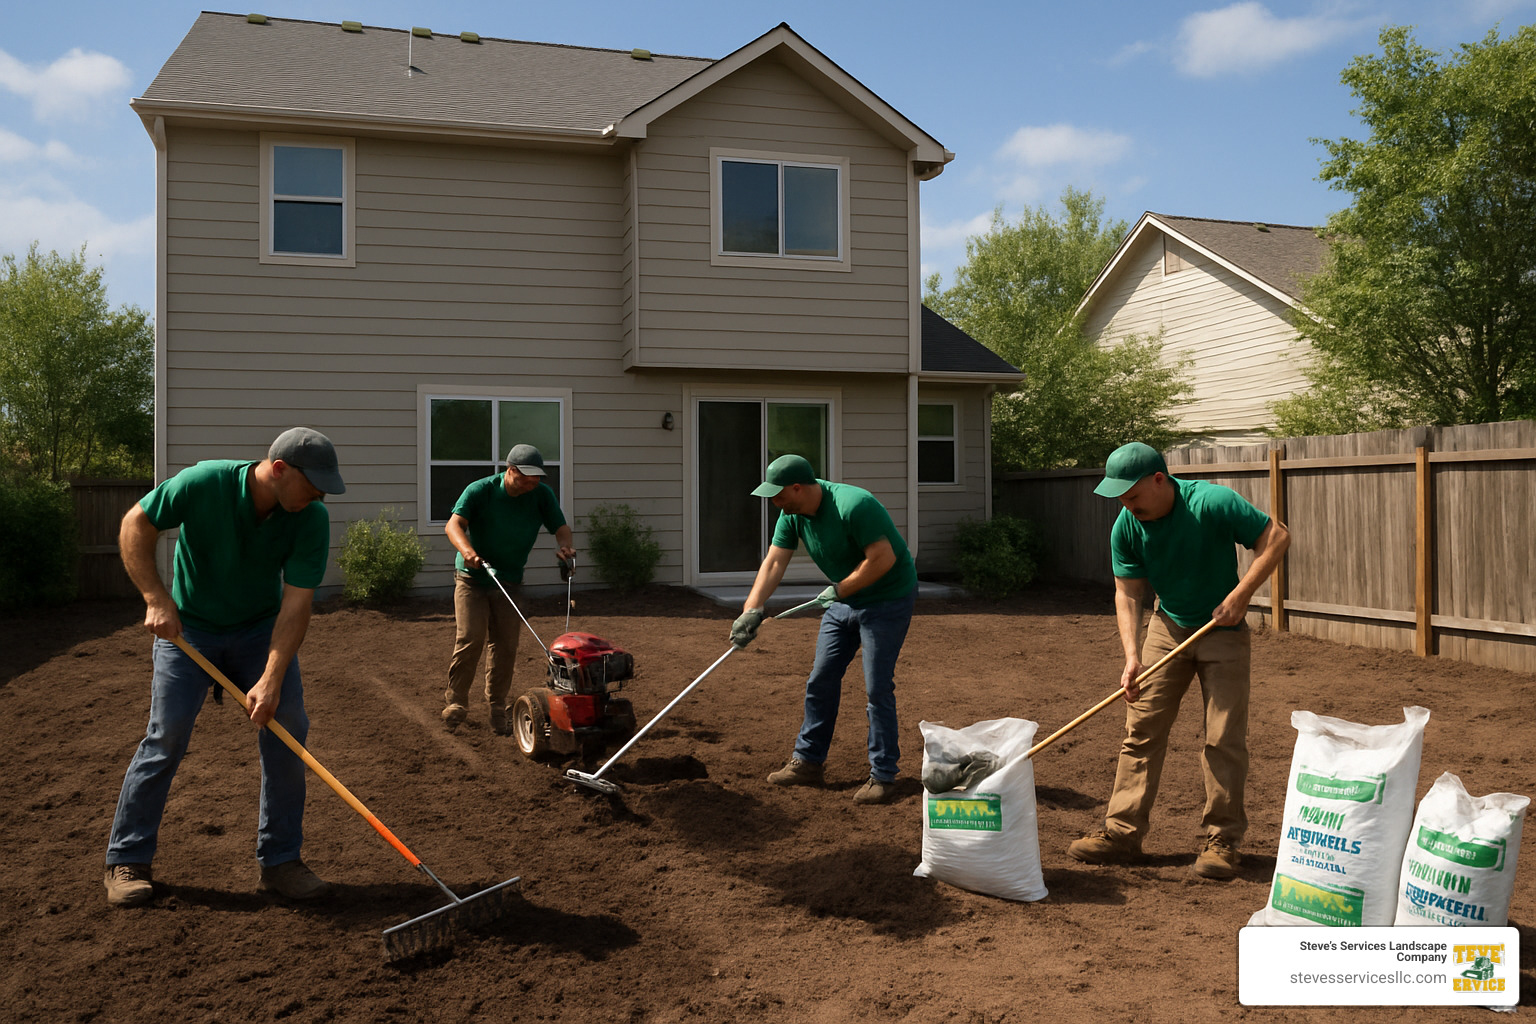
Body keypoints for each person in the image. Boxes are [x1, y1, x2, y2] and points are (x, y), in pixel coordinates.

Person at [104, 427, 346, 908]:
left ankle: (280, 861)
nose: (320, 495)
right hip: (189, 631)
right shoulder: (203, 483)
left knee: (288, 727)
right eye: (313, 484)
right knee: (167, 735)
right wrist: (156, 597)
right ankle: (127, 858)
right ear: (278, 470)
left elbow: (296, 607)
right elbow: (136, 524)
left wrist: (272, 676)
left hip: (259, 632)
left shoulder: (310, 519)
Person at [1068, 441, 1290, 879]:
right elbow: (1129, 593)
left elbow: (1276, 537)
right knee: (1141, 729)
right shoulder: (1126, 527)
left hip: (1221, 631)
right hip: (1166, 629)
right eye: (1119, 498)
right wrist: (1132, 657)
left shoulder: (1211, 502)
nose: (1126, 506)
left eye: (1131, 495)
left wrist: (1241, 595)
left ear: (1159, 479)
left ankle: (1222, 839)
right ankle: (1121, 834)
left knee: (1223, 737)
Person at [731, 454, 918, 805]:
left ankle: (884, 776)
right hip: (842, 601)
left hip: (886, 600)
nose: (775, 503)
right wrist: (751, 610)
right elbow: (774, 561)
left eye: (778, 494)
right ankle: (808, 762)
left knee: (877, 687)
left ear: (798, 488)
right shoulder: (792, 515)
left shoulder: (855, 504)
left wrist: (841, 590)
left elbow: (884, 558)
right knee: (821, 679)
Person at [442, 443, 575, 734]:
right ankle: (457, 702)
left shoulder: (541, 495)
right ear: (510, 470)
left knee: (505, 646)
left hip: (510, 580)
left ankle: (497, 707)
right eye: (526, 477)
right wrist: (467, 552)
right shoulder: (481, 490)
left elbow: (560, 528)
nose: (532, 483)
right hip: (472, 578)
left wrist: (565, 546)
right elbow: (454, 525)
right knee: (471, 637)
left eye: (537, 477)